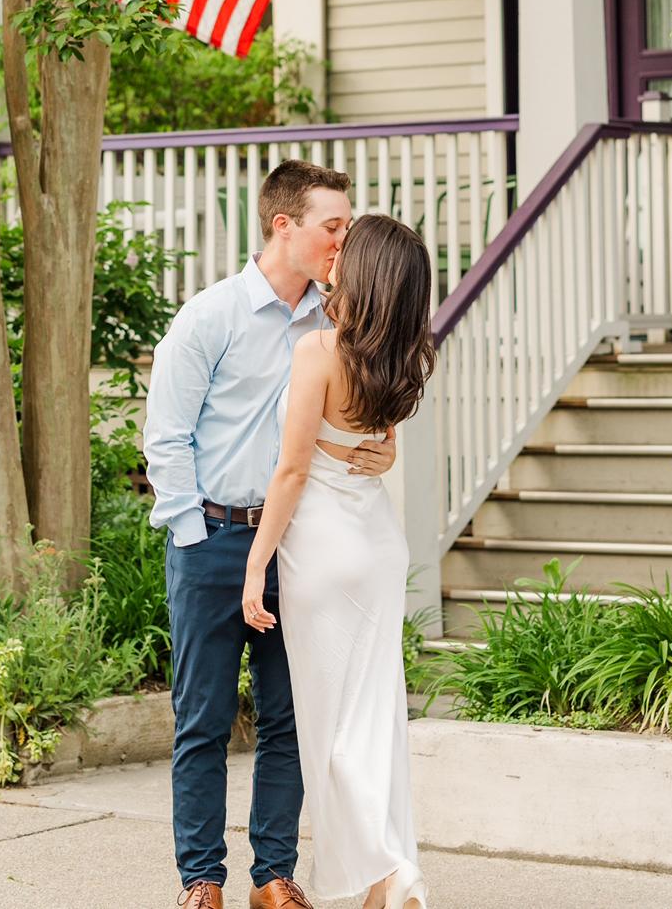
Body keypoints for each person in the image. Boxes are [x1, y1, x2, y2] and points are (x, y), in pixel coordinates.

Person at [144, 161, 398, 909]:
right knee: (203, 719)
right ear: (284, 226)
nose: (343, 241)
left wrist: (381, 452)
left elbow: (367, 417)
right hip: (214, 539)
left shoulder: (339, 323)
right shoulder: (209, 317)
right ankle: (201, 880)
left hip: (303, 543)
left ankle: (274, 877)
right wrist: (194, 537)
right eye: (332, 227)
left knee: (290, 717)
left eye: (347, 227)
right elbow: (166, 439)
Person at [241, 213, 435, 909]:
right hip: (377, 544)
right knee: (377, 722)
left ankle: (391, 870)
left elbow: (293, 470)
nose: (336, 255)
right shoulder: (400, 359)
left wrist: (256, 563)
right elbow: (378, 448)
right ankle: (387, 886)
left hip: (322, 553)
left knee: (333, 732)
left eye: (347, 250)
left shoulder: (318, 350)